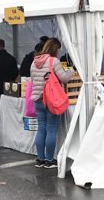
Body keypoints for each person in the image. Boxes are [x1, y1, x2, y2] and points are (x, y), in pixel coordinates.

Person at [30, 38, 74, 168]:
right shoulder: (53, 61)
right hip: (50, 100)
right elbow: (64, 79)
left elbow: (33, 80)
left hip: (37, 99)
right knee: (52, 129)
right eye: (59, 49)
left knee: (41, 129)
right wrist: (71, 71)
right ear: (55, 49)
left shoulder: (34, 61)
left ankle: (40, 159)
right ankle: (49, 160)